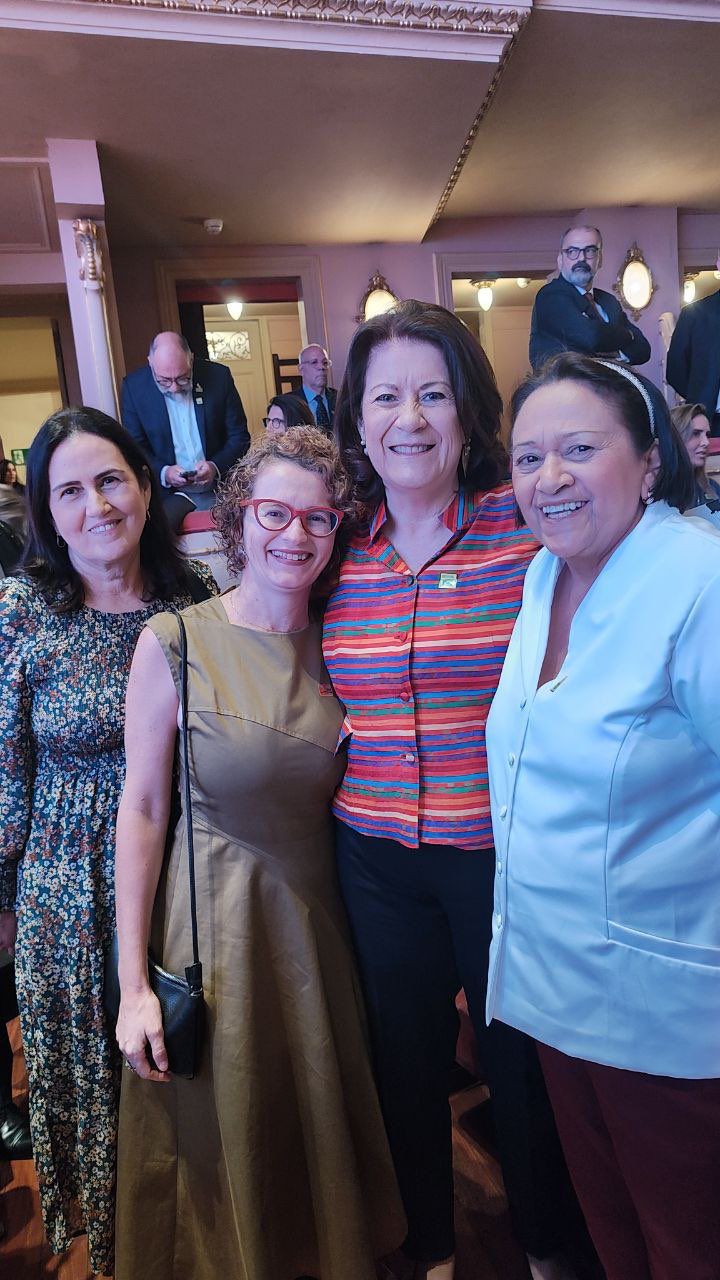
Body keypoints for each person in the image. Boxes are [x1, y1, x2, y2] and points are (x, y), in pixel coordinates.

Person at [324, 300, 596, 1280]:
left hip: (498, 850)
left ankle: (548, 1246)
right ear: (358, 418)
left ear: (470, 412)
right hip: (373, 853)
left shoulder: (523, 532)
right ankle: (427, 1245)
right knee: (401, 1060)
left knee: (517, 1059)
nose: (409, 418)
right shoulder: (336, 547)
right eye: (386, 397)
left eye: (433, 394)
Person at [113, 426, 405, 1280]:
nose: (295, 535)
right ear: (239, 518)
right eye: (275, 513)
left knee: (311, 1127)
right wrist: (132, 987)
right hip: (216, 928)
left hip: (322, 926)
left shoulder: (345, 639)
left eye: (318, 518)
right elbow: (142, 810)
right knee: (225, 1132)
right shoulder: (175, 641)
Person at [487, 353, 719, 1280]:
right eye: (527, 458)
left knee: (688, 1247)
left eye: (579, 450)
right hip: (558, 989)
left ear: (650, 459)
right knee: (617, 1239)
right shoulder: (547, 576)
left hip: (666, 1004)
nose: (549, 478)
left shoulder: (699, 578)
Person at [0, 407, 216, 1274]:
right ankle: (122, 1252)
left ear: (144, 487)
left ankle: (192, 1239)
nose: (95, 506)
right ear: (47, 514)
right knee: (96, 1082)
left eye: (110, 480)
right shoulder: (23, 611)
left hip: (182, 876)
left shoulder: (194, 599)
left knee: (183, 1062)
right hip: (64, 886)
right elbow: (3, 766)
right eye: (69, 492)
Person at [120, 331, 251, 510]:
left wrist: (215, 467)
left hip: (221, 490)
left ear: (191, 359)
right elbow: (134, 447)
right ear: (150, 362)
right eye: (164, 380)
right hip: (167, 497)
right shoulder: (134, 387)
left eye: (182, 378)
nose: (174, 388)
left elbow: (239, 437)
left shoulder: (218, 377)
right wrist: (164, 472)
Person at [530, 226, 651, 371]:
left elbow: (644, 350)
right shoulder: (550, 295)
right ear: (560, 260)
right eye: (572, 251)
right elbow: (592, 337)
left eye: (590, 251)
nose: (581, 258)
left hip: (610, 384)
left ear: (600, 260)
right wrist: (629, 335)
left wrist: (605, 350)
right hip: (568, 384)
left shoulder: (609, 301)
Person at [666, 254, 720, 434]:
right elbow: (675, 371)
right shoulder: (694, 314)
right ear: (719, 264)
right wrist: (700, 394)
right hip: (710, 421)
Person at [670, 401, 720, 508]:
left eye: (707, 435)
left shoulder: (712, 487)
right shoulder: (655, 494)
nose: (706, 442)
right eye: (696, 433)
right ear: (675, 438)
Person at [295, 344, 337, 432]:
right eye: (314, 362)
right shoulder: (290, 403)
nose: (321, 367)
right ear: (301, 369)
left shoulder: (340, 399)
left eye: (325, 363)